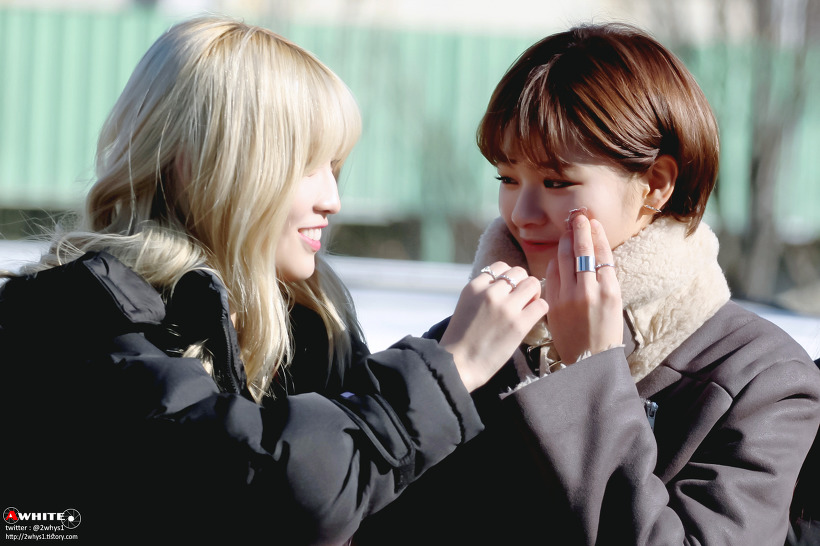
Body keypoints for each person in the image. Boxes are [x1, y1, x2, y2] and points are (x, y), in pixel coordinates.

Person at [0, 16, 548, 544]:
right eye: (306, 165)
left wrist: (537, 349)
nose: (332, 200)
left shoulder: (308, 324)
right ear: (208, 164)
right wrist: (451, 367)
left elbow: (404, 502)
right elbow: (263, 490)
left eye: (335, 168)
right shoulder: (77, 317)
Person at [354, 22, 820, 545]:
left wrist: (588, 375)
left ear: (656, 184)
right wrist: (445, 377)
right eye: (508, 178)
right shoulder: (465, 344)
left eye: (557, 182)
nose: (522, 213)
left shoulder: (762, 379)